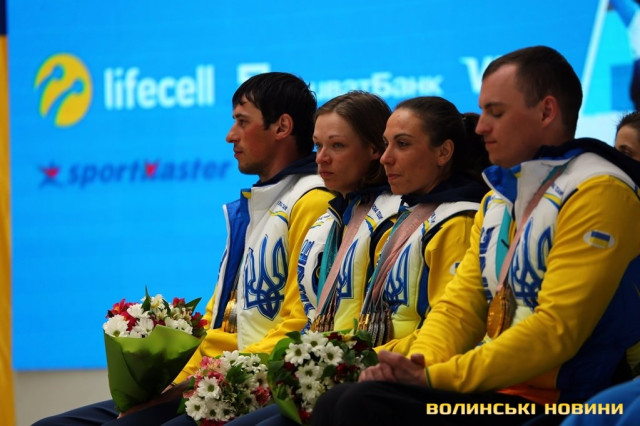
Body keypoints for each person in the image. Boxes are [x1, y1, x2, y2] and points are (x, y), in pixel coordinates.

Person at [312, 45, 640, 426]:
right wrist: (417, 365)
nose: (481, 127)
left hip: (569, 403)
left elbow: (555, 330)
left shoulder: (599, 189)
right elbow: (459, 307)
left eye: (495, 113)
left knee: (361, 405)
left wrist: (435, 377)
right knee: (339, 401)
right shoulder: (498, 198)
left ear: (546, 111)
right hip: (498, 392)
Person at [34, 72, 334, 426]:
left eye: (242, 122)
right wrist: (172, 382)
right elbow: (218, 318)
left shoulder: (312, 201)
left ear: (281, 126)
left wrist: (190, 385)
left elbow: (299, 326)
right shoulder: (256, 206)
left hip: (246, 385)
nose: (230, 135)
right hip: (206, 380)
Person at [231, 95, 490, 426]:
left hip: (410, 378)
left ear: (444, 152)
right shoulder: (362, 215)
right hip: (368, 370)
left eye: (402, 144)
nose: (387, 158)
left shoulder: (450, 221)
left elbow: (449, 325)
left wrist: (356, 362)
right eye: (318, 145)